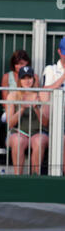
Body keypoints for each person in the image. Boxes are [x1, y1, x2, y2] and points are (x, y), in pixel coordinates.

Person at [6, 66, 49, 175]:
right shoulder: (12, 95)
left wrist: (36, 108)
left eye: (29, 77)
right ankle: (18, 177)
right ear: (19, 80)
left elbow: (45, 123)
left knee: (39, 141)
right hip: (18, 132)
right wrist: (22, 108)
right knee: (18, 141)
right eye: (23, 78)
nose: (27, 81)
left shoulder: (42, 94)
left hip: (38, 132)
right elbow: (10, 124)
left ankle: (35, 176)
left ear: (33, 79)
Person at [42, 37, 65, 173]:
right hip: (55, 117)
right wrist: (63, 77)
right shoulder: (51, 69)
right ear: (59, 52)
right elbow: (44, 92)